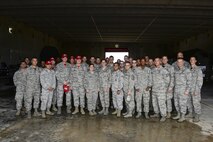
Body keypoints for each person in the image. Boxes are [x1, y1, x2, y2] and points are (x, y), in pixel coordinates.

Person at [173, 58, 192, 122]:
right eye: (178, 62)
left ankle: (183, 116)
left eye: (181, 62)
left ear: (183, 63)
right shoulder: (177, 71)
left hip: (183, 90)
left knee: (182, 104)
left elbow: (189, 81)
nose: (179, 63)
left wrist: (187, 90)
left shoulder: (187, 70)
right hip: (176, 90)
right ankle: (178, 114)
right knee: (176, 103)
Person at [189, 57, 203, 122]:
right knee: (189, 102)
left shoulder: (198, 70)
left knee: (196, 103)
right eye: (191, 60)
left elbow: (200, 81)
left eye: (193, 60)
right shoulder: (189, 69)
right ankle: (191, 113)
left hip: (195, 89)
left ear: (195, 61)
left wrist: (197, 90)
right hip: (189, 89)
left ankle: (197, 115)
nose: (192, 61)